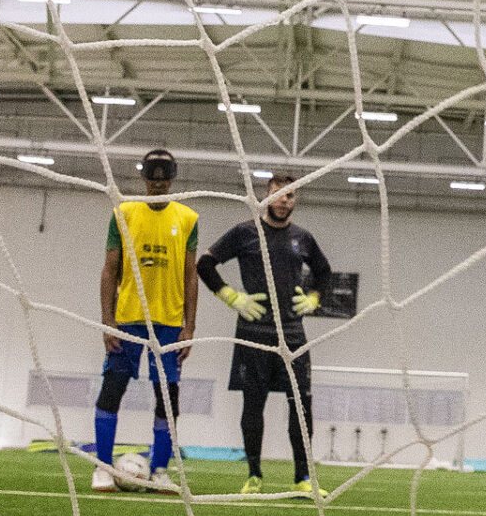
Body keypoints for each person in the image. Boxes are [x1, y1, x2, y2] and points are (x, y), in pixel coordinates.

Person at [197, 173, 332, 498]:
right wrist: (231, 296)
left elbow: (324, 273)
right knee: (252, 405)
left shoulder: (303, 238)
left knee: (301, 406)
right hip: (253, 334)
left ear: (294, 202)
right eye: (279, 194)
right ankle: (254, 475)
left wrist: (314, 297)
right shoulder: (245, 233)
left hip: (293, 336)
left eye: (291, 196)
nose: (285, 200)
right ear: (267, 196)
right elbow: (204, 264)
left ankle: (302, 478)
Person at [91, 148, 198, 494]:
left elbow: (191, 275)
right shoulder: (123, 213)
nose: (157, 185)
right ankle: (103, 469)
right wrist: (107, 319)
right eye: (152, 179)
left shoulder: (188, 219)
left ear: (172, 180)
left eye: (163, 179)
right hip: (128, 320)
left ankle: (159, 471)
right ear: (143, 179)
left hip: (168, 324)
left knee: (168, 397)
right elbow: (110, 270)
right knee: (113, 389)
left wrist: (190, 325)